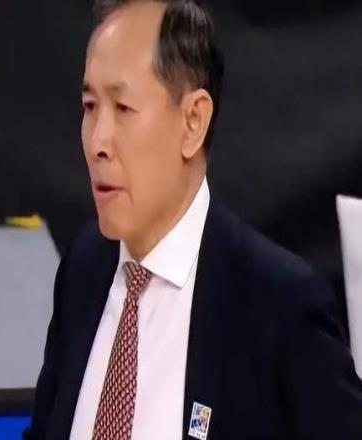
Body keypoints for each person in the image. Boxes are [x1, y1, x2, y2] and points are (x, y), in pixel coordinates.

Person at [24, 0, 362, 439]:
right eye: (90, 106)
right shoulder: (82, 271)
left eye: (122, 108)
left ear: (193, 121)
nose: (97, 142)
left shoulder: (280, 307)